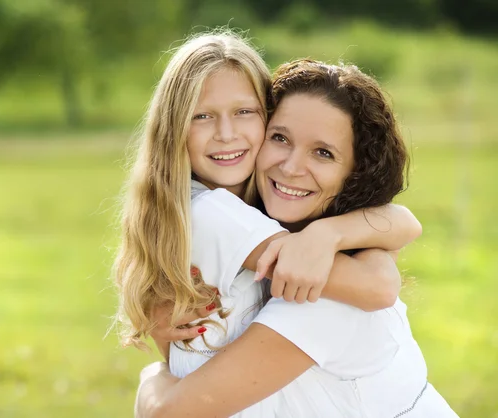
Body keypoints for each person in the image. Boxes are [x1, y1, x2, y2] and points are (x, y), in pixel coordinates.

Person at [135, 59, 459, 417]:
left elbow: (169, 412)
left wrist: (153, 379)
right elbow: (398, 232)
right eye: (280, 138)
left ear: (355, 174)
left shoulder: (320, 296)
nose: (290, 167)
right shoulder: (243, 223)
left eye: (323, 153)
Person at [112, 30, 420, 358]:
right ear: (173, 128)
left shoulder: (248, 205)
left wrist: (329, 232)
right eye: (202, 116)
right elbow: (378, 286)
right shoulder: (212, 212)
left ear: (267, 116)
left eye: (244, 112)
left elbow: (406, 222)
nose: (227, 134)